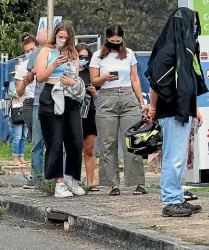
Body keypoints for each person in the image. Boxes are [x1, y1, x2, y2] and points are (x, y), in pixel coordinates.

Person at [146, 7, 207, 217]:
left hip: (184, 110)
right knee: (174, 158)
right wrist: (152, 107)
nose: (194, 28)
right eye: (192, 23)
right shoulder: (168, 49)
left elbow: (189, 84)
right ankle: (171, 201)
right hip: (171, 111)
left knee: (179, 157)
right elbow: (155, 83)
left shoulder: (185, 49)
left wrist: (195, 109)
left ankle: (178, 198)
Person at [89, 25, 147, 196]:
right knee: (108, 142)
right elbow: (94, 81)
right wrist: (104, 78)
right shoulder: (97, 56)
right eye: (112, 41)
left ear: (122, 39)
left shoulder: (129, 53)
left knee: (133, 139)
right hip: (107, 96)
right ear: (106, 38)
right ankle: (112, 183)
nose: (115, 43)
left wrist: (141, 101)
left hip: (128, 94)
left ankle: (137, 182)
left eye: (118, 41)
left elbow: (135, 78)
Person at [36, 22, 86, 198]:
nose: (62, 40)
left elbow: (77, 78)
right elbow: (40, 77)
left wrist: (73, 82)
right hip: (51, 94)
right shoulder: (46, 51)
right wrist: (55, 64)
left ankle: (71, 177)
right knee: (55, 142)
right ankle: (58, 183)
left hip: (69, 96)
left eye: (66, 37)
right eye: (60, 36)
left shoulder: (73, 54)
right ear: (55, 35)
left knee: (75, 140)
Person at [17, 29, 48, 188]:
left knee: (55, 142)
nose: (32, 51)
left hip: (55, 101)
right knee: (36, 141)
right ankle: (37, 177)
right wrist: (31, 75)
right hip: (35, 102)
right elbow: (27, 80)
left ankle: (55, 176)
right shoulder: (34, 56)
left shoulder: (60, 53)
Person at [76, 43, 99, 191]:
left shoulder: (90, 73)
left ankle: (91, 182)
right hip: (73, 112)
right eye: (81, 57)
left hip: (89, 112)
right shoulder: (70, 71)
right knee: (74, 148)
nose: (84, 59)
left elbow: (96, 97)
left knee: (89, 149)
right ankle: (73, 180)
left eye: (86, 57)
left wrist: (93, 90)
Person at [14, 33, 38, 143]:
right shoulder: (22, 67)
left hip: (45, 99)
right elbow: (19, 93)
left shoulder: (46, 61)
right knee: (34, 136)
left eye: (32, 49)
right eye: (27, 51)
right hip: (30, 102)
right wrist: (25, 83)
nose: (30, 53)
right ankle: (36, 160)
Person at [9, 66, 28, 166]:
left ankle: (21, 155)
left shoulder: (28, 82)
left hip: (26, 109)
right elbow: (12, 93)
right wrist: (21, 91)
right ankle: (15, 156)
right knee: (17, 135)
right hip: (17, 110)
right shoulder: (13, 83)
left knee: (24, 135)